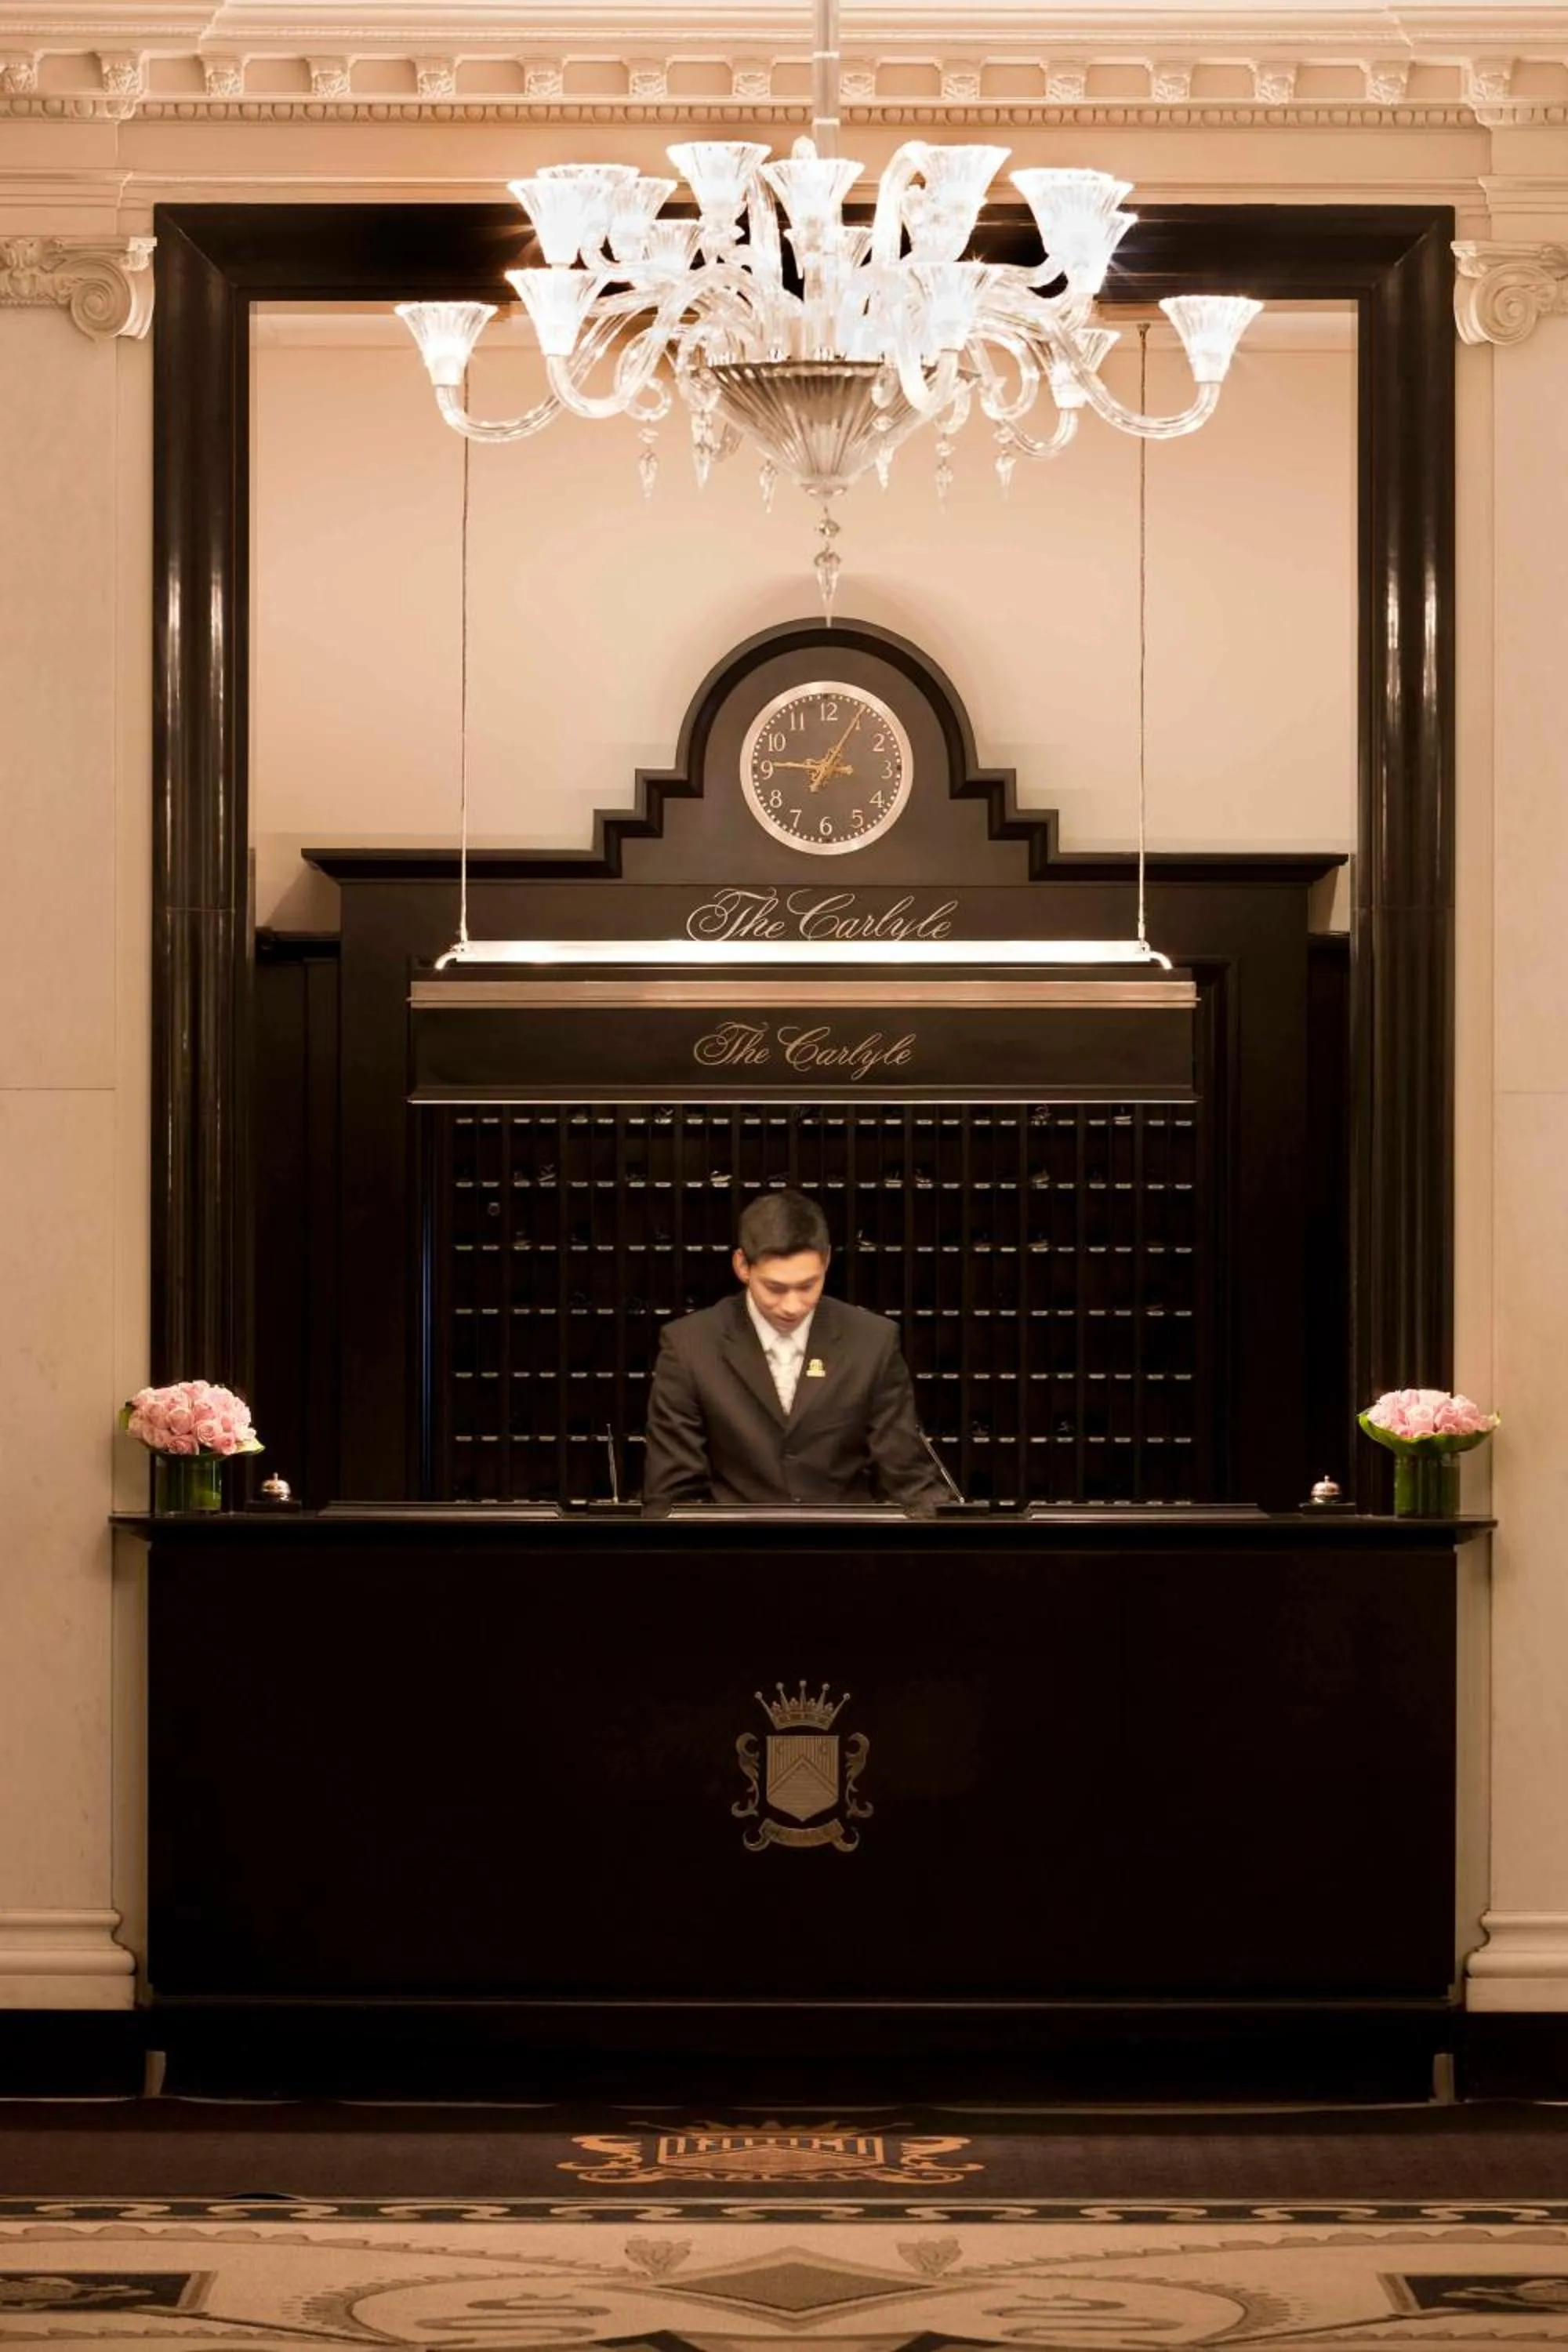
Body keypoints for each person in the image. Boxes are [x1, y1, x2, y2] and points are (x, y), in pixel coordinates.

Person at [641, 1188, 946, 1510]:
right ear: (743, 1266)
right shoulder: (690, 1345)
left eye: (807, 1286)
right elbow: (671, 1494)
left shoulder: (872, 1341)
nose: (792, 1305)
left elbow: (909, 1479)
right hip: (732, 1550)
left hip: (845, 1549)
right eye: (775, 1288)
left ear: (827, 1260)